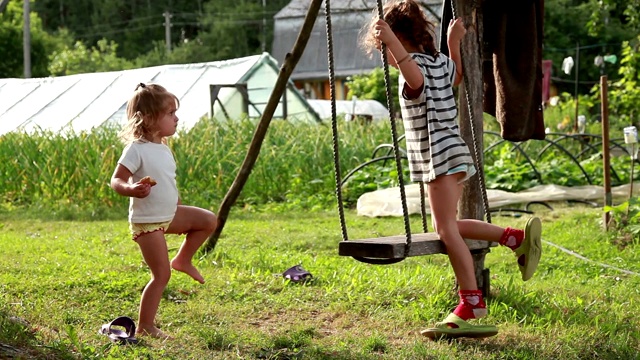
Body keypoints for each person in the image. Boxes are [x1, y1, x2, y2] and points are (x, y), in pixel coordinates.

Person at [362, 0, 542, 337]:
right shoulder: (438, 63)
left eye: (384, 49)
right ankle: (514, 237)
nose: (386, 56)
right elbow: (456, 75)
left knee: (446, 230)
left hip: (440, 157)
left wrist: (392, 42)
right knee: (449, 226)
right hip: (453, 155)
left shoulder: (412, 66)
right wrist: (452, 43)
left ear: (399, 39)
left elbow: (412, 75)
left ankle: (471, 302)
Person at [110, 83, 217, 339]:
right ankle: (146, 325)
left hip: (169, 214)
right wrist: (130, 188)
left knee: (208, 220)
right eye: (170, 113)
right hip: (147, 223)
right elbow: (116, 180)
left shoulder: (164, 147)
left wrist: (175, 198)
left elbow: (166, 178)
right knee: (161, 275)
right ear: (147, 119)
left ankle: (183, 259)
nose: (176, 118)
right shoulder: (136, 149)